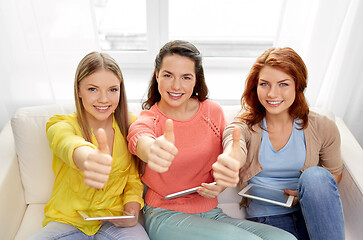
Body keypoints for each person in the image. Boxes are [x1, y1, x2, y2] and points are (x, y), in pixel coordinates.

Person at [127, 40, 296, 240]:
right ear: (157, 75)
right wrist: (153, 149)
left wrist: (221, 184)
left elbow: (229, 152)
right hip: (165, 215)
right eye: (168, 75)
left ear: (196, 80)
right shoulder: (149, 119)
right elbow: (139, 138)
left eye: (186, 77)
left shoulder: (212, 112)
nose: (176, 85)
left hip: (210, 212)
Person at [212, 47, 345, 240]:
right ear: (255, 86)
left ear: (297, 86)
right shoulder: (244, 126)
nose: (272, 94)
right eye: (264, 84)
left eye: (283, 84)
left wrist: (304, 195)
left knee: (316, 175)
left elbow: (334, 174)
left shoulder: (323, 127)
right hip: (268, 218)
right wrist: (231, 160)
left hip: (310, 212)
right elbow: (234, 146)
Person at [29, 52, 149, 240]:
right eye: (93, 89)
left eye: (112, 90)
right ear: (79, 90)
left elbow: (132, 177)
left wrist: (132, 209)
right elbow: (66, 143)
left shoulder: (129, 125)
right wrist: (87, 158)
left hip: (113, 221)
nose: (104, 99)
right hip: (67, 221)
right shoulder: (60, 123)